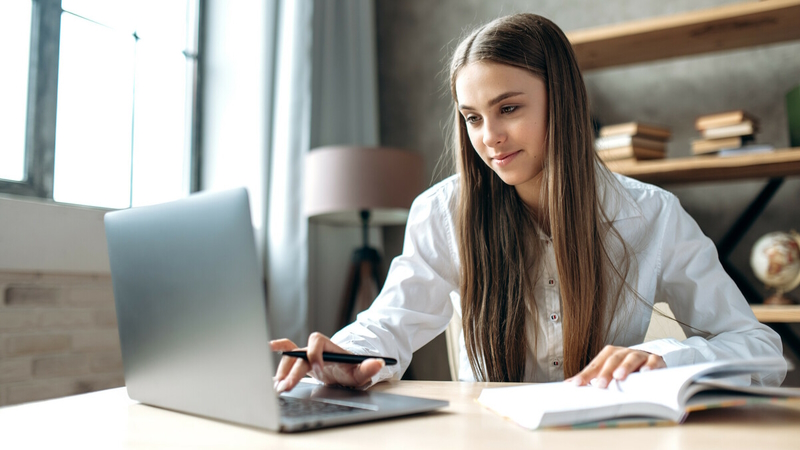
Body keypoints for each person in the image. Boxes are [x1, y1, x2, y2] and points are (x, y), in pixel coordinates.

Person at [271, 13, 785, 393]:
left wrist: (662, 357)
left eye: (509, 108)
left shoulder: (651, 213)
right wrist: (346, 354)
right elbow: (391, 323)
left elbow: (760, 350)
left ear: (559, 100)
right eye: (472, 118)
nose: (490, 137)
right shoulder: (443, 211)